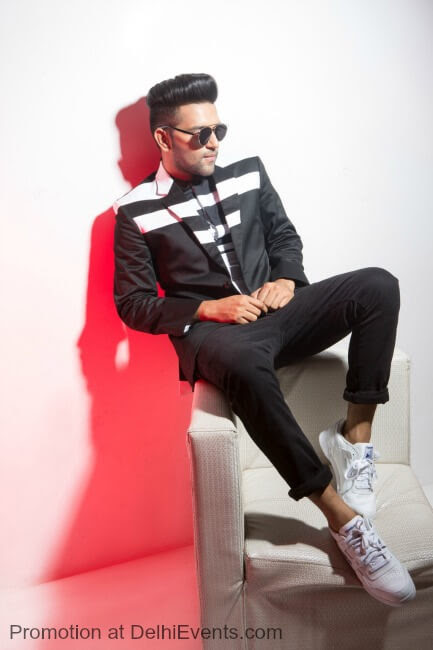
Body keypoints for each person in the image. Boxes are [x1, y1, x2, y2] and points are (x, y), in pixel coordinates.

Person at [112, 73, 416, 607]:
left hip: (277, 311)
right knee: (244, 364)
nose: (213, 142)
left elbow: (283, 236)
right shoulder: (133, 211)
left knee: (377, 285)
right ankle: (344, 522)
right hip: (215, 335)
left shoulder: (248, 173)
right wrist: (206, 308)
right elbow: (133, 304)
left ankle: (355, 439)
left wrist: (287, 279)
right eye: (199, 134)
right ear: (163, 138)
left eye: (219, 130)